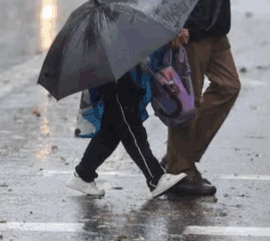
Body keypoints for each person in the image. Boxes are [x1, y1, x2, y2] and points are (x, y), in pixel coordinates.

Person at [149, 0, 241, 198]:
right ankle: (179, 172)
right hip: (189, 29)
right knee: (187, 100)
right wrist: (172, 25)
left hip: (214, 25)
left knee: (229, 86)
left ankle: (179, 159)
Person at [67, 35, 189, 199]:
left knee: (110, 132)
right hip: (114, 75)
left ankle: (83, 174)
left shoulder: (114, 19)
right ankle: (156, 178)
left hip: (120, 71)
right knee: (131, 128)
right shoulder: (108, 21)